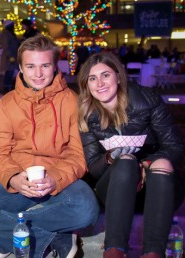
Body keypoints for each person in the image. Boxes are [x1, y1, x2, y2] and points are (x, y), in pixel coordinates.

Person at [0, 35, 100, 258]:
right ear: (21, 68)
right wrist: (13, 177)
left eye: (45, 65)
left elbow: (78, 154)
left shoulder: (72, 101)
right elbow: (0, 152)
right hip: (20, 179)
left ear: (55, 66)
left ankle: (11, 235)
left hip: (58, 179)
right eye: (31, 66)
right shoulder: (7, 103)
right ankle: (52, 239)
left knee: (87, 209)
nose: (38, 73)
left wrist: (55, 178)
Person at [77, 52, 185, 258]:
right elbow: (94, 168)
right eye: (92, 78)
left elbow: (175, 148)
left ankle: (153, 253)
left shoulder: (147, 99)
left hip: (156, 188)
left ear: (118, 76)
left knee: (161, 161)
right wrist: (110, 158)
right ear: (86, 85)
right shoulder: (87, 114)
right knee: (125, 162)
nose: (100, 83)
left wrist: (145, 165)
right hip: (114, 190)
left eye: (105, 75)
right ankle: (114, 250)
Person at [0, 20, 21, 93]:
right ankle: (6, 87)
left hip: (13, 55)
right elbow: (5, 46)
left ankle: (9, 86)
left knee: (11, 72)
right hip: (9, 56)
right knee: (9, 72)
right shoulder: (5, 33)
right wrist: (10, 56)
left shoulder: (10, 33)